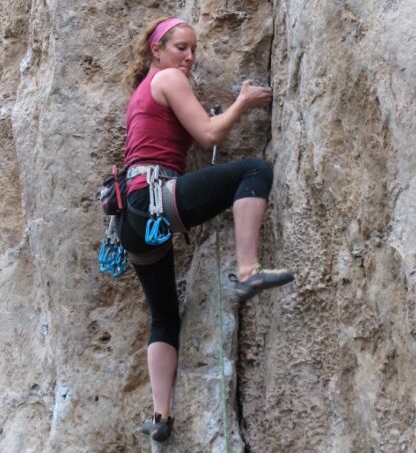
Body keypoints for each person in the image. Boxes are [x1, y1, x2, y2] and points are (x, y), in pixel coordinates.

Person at [117, 17, 294, 442]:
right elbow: (208, 132)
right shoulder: (169, 79)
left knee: (164, 317)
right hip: (154, 199)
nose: (189, 57)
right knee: (254, 170)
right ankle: (248, 270)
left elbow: (188, 137)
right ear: (156, 50)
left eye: (193, 49)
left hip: (129, 218)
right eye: (181, 47)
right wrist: (244, 102)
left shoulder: (144, 91)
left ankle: (161, 417)